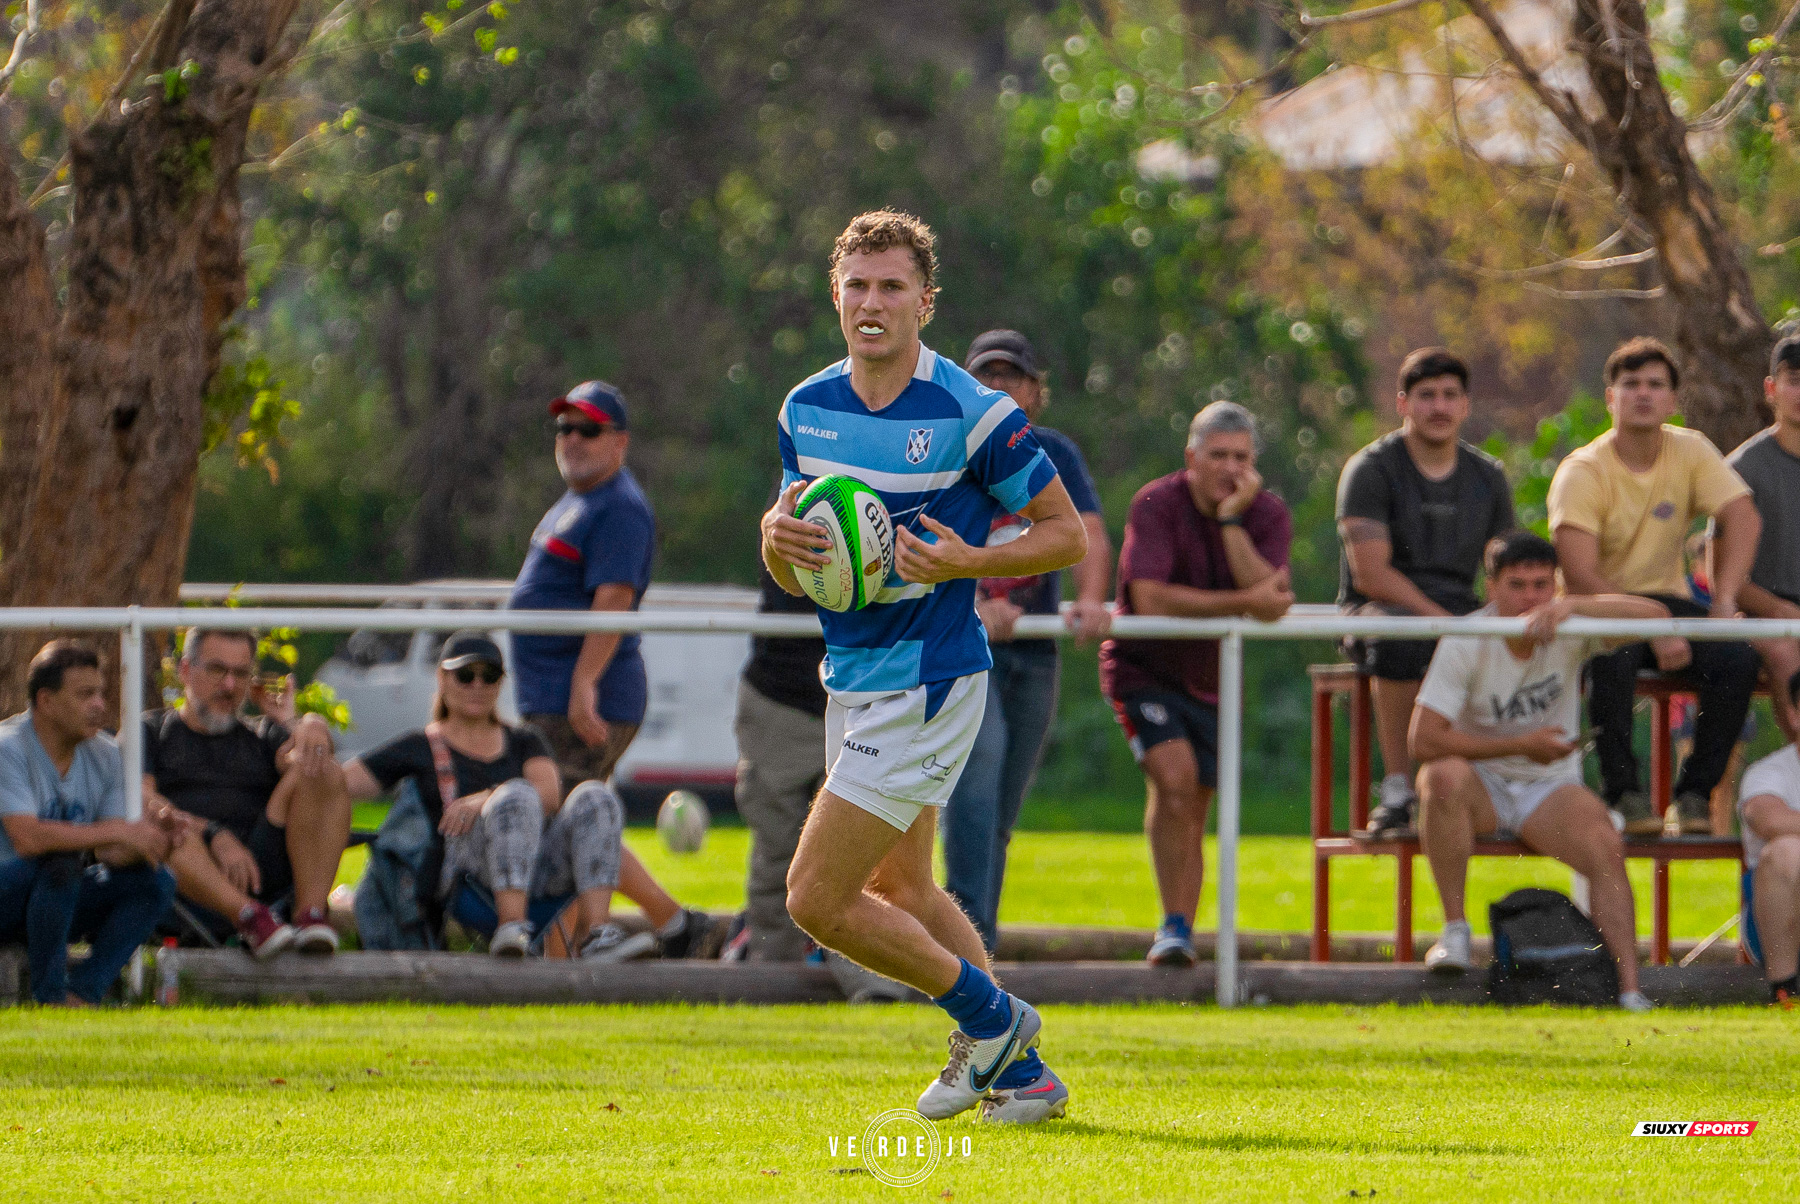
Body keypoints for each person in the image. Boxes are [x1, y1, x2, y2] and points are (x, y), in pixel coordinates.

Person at [765, 210, 1087, 1124]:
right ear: (836, 295)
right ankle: (1023, 1076)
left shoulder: (973, 413)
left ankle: (995, 1024)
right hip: (852, 676)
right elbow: (798, 568)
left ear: (925, 302)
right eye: (857, 285)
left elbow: (1064, 534)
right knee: (900, 889)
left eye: (892, 286)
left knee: (815, 899)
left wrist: (967, 562)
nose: (872, 303)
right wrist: (774, 540)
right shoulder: (803, 409)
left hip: (930, 679)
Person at [1409, 532, 1659, 1011]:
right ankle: (1455, 932)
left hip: (1549, 787)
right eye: (1517, 585)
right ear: (1491, 587)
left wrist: (1575, 606)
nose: (1530, 598)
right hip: (1480, 786)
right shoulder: (1466, 638)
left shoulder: (1570, 624)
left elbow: (1658, 617)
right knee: (1440, 778)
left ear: (1556, 586)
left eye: (1542, 585)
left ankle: (1629, 990)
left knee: (1606, 842)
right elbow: (1422, 740)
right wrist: (1521, 745)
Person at [342, 631, 707, 959]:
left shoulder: (523, 740)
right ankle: (511, 927)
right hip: (466, 878)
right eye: (465, 675)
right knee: (515, 796)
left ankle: (598, 934)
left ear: (501, 683)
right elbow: (340, 785)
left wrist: (485, 798)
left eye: (489, 675)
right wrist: (313, 739)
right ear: (442, 678)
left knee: (594, 797)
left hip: (539, 870)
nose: (477, 685)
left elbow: (548, 795)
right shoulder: (419, 745)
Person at [1099, 400, 1294, 967]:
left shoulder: (1266, 512)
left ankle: (1180, 932)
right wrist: (1242, 602)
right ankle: (1173, 925)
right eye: (1218, 456)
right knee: (1175, 778)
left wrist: (1232, 521)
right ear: (1191, 457)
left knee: (1195, 803)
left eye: (1242, 458)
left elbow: (1273, 602)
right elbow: (1149, 598)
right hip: (1144, 669)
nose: (1231, 468)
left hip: (1213, 679)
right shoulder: (1156, 503)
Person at [1548, 337, 1762, 835]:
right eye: (1630, 384)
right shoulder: (1582, 470)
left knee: (1738, 659)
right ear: (1610, 398)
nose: (1643, 394)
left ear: (1672, 400)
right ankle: (1624, 795)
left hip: (1668, 604)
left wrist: (1724, 600)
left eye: (1655, 385)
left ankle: (1694, 796)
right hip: (1595, 607)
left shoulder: (1690, 449)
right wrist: (1651, 623)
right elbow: (1578, 576)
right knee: (1613, 656)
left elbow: (1743, 516)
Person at [943, 329, 1112, 952]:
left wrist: (1090, 598)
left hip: (1034, 653)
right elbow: (923, 541)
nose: (997, 387)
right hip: (966, 647)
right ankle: (968, 945)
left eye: (1010, 376)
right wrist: (975, 603)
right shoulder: (946, 452)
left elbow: (1087, 533)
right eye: (985, 376)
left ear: (1035, 392)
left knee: (1001, 809)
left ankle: (974, 944)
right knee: (976, 778)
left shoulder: (1054, 453)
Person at [1336, 348, 1515, 838]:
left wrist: (1508, 622)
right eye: (1426, 395)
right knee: (1401, 638)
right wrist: (1447, 626)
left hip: (1460, 608)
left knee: (1525, 643)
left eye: (1450, 395)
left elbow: (1505, 567)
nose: (1439, 407)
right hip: (1379, 610)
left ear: (1466, 405)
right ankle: (1398, 790)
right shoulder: (1370, 469)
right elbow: (1371, 575)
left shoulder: (1488, 475)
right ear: (1403, 403)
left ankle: (1503, 783)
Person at [143, 628, 352, 957]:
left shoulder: (263, 734)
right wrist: (213, 833)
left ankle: (309, 916)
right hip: (186, 871)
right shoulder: (152, 730)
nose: (229, 685)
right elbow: (142, 798)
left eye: (240, 674)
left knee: (325, 770)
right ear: (185, 670)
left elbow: (312, 770)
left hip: (262, 869)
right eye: (217, 670)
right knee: (161, 823)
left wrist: (303, 723)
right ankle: (247, 916)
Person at [0, 641, 176, 1005]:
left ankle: (82, 994)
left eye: (100, 693)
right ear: (46, 701)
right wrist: (118, 831)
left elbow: (110, 852)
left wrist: (153, 839)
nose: (99, 705)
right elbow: (27, 839)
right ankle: (49, 997)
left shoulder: (106, 754)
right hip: (7, 893)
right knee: (61, 864)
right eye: (85, 695)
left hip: (55, 900)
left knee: (155, 882)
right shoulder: (8, 747)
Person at [509, 379, 655, 791]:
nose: (573, 439)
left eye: (588, 430)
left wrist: (584, 684)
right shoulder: (582, 498)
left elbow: (615, 599)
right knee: (563, 814)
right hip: (552, 698)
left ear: (620, 442)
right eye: (564, 428)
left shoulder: (620, 507)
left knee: (557, 809)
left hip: (582, 702)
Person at [733, 525, 830, 962]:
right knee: (776, 860)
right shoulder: (793, 497)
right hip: (781, 701)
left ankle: (876, 985)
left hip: (865, 702)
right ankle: (770, 976)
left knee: (862, 862)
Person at [1726, 332, 1800, 741]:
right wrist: (1776, 608)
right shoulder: (1743, 467)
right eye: (1795, 380)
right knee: (1785, 650)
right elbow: (1721, 576)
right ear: (1771, 389)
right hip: (1764, 617)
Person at [1736, 682, 1800, 1006]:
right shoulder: (1768, 772)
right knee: (1785, 851)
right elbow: (1769, 819)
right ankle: (1785, 991)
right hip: (1777, 925)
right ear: (1795, 715)